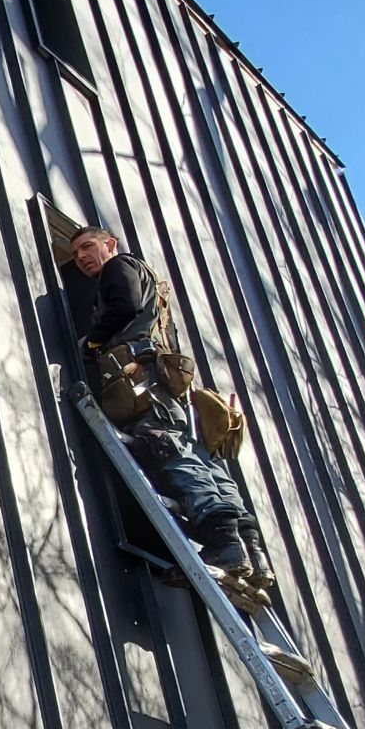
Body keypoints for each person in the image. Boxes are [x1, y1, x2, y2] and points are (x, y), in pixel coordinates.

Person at [53, 216, 277, 609]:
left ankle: (224, 546)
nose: (82, 257)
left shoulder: (120, 268)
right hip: (165, 380)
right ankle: (249, 555)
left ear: (110, 243)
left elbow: (121, 307)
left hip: (143, 376)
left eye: (88, 246)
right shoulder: (154, 286)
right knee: (201, 459)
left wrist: (93, 342)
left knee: (163, 446)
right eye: (74, 254)